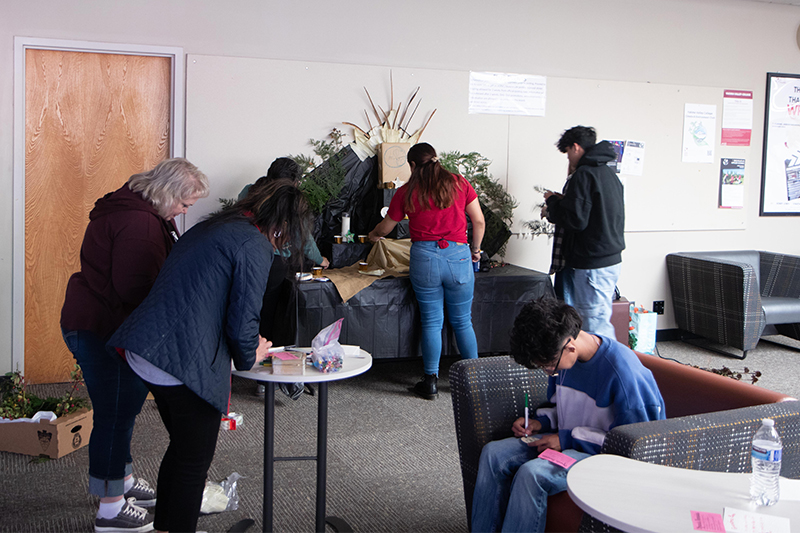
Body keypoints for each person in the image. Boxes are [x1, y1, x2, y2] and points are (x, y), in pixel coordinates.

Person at [108, 179, 312, 533]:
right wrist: (253, 352)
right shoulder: (253, 244)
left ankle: (166, 527)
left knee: (184, 449)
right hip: (178, 359)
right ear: (284, 224)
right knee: (193, 461)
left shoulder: (214, 227)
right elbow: (243, 322)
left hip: (148, 347)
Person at [60, 158, 210, 532]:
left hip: (96, 321)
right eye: (184, 204)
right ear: (167, 193)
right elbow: (137, 290)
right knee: (115, 414)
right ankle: (110, 510)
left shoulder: (129, 205)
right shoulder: (140, 224)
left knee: (120, 409)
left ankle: (122, 482)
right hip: (104, 329)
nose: (183, 211)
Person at [470, 297, 665, 532]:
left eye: (548, 365)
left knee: (532, 474)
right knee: (493, 453)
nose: (548, 372)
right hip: (567, 443)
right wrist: (539, 424)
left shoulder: (624, 374)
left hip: (604, 457)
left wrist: (566, 439)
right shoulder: (566, 361)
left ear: (570, 347)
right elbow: (560, 408)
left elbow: (638, 444)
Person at [368, 142, 485, 400]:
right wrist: (475, 250)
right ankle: (476, 381)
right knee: (463, 321)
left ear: (412, 165)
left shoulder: (406, 191)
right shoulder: (459, 183)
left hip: (425, 258)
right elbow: (478, 220)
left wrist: (373, 235)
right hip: (458, 257)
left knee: (432, 321)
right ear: (436, 158)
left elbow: (386, 227)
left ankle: (430, 381)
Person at [240, 157, 328, 399]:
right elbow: (304, 239)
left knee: (245, 312)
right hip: (274, 263)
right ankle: (264, 379)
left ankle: (242, 363)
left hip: (245, 259)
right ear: (295, 182)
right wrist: (321, 260)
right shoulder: (288, 199)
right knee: (268, 318)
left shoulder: (249, 191)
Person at [541, 125, 625, 338]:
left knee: (595, 326)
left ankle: (608, 369)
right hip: (610, 259)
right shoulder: (608, 173)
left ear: (576, 147)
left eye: (568, 152)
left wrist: (551, 202)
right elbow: (593, 211)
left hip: (592, 263)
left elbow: (575, 219)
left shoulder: (584, 175)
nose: (568, 158)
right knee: (598, 319)